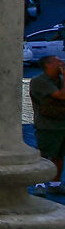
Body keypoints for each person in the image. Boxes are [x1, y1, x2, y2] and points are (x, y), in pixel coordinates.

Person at [32, 55, 65, 186]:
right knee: (43, 156)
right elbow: (62, 95)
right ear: (48, 65)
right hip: (47, 125)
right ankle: (39, 184)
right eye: (58, 61)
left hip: (62, 124)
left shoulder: (60, 80)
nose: (62, 63)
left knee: (59, 156)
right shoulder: (39, 81)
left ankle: (55, 184)